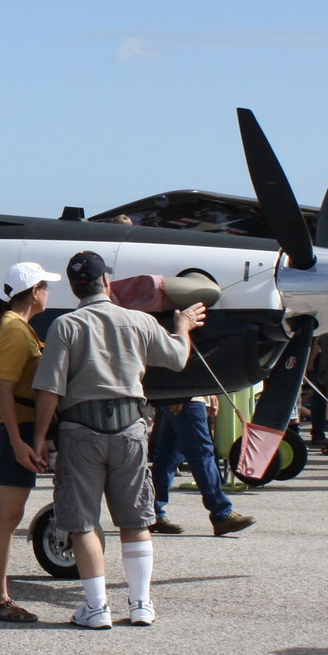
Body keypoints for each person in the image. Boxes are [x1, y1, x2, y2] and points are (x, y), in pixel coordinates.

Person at [31, 250, 205, 629]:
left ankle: (96, 608)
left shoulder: (66, 326)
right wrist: (184, 327)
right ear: (106, 282)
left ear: (75, 288)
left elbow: (49, 389)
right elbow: (177, 358)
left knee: (83, 523)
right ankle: (141, 603)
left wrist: (40, 436)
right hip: (130, 431)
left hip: (80, 431)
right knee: (134, 519)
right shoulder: (139, 321)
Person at [0, 260, 63, 623]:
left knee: (2, 514)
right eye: (45, 286)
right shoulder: (13, 330)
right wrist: (19, 442)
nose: (48, 292)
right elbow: (6, 392)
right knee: (9, 516)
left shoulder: (13, 326)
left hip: (10, 426)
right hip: (13, 427)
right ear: (34, 292)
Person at [150, 394, 254, 536]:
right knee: (201, 454)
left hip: (184, 394)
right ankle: (221, 513)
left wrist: (207, 392)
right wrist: (183, 392)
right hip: (186, 395)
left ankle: (151, 511)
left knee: (169, 456)